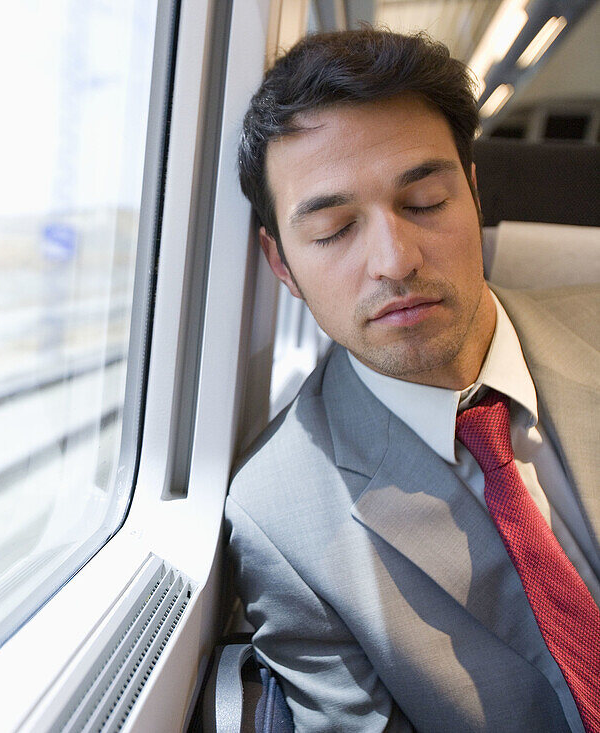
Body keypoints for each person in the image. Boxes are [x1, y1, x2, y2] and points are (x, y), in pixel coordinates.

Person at [225, 28, 600, 732]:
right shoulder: (279, 518)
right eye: (335, 229)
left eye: (425, 202)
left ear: (474, 195)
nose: (394, 260)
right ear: (282, 266)